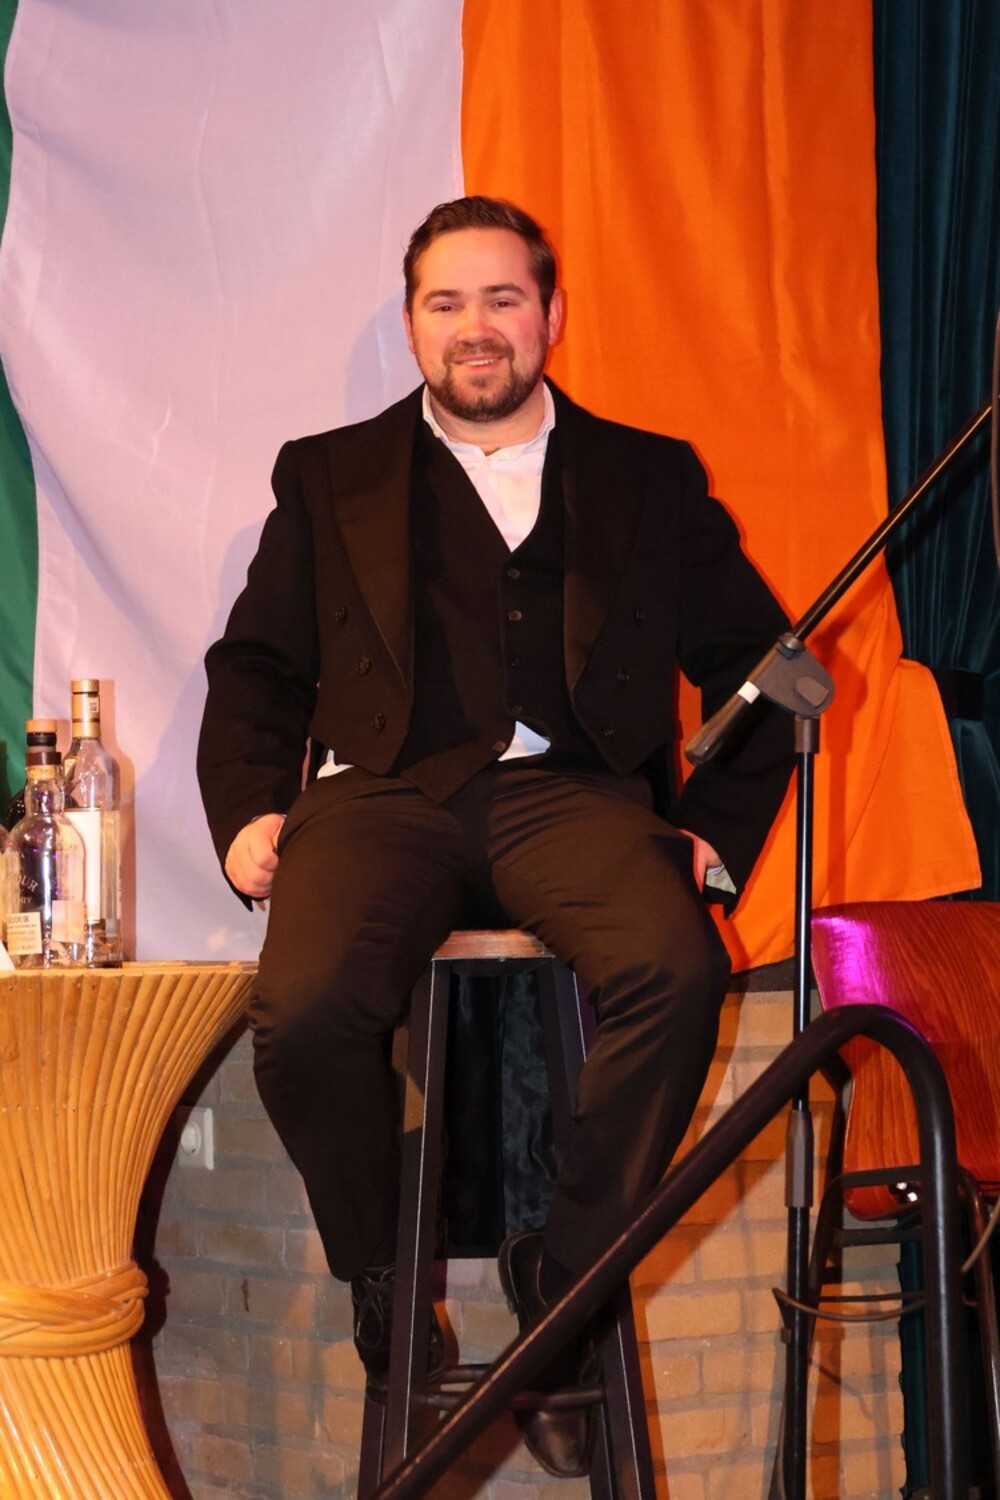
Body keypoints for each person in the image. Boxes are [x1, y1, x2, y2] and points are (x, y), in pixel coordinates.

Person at [198, 195, 793, 1477]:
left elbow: (762, 667)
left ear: (550, 314)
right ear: (413, 323)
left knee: (676, 967)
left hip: (569, 793)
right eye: (447, 303)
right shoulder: (327, 473)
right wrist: (248, 808)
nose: (476, 328)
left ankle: (564, 1291)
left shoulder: (646, 475)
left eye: (503, 299)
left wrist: (707, 830)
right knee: (302, 1011)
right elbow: (255, 666)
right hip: (380, 795)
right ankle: (380, 1277)